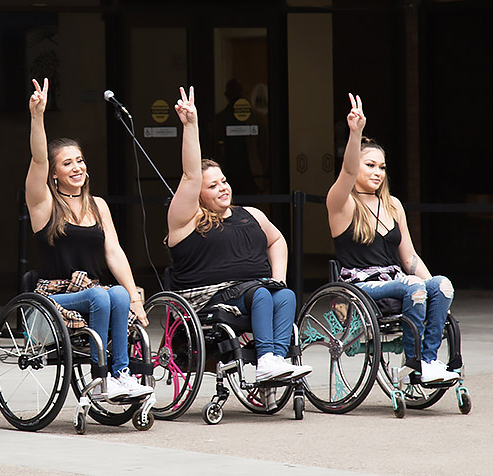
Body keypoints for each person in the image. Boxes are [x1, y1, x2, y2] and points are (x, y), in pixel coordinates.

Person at [166, 87, 311, 382]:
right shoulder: (186, 220)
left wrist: (279, 277)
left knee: (284, 295)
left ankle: (276, 358)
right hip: (209, 298)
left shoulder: (252, 214)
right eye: (213, 185)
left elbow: (277, 240)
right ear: (198, 195)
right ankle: (267, 359)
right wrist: (190, 126)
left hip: (252, 291)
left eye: (224, 181)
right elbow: (190, 176)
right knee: (259, 292)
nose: (222, 187)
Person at [27, 78, 153, 399]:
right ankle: (100, 378)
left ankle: (120, 373)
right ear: (54, 174)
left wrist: (136, 300)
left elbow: (114, 252)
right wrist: (38, 116)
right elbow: (39, 160)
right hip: (54, 298)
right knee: (102, 296)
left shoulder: (98, 206)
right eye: (67, 163)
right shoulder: (44, 205)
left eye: (80, 160)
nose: (77, 167)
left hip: (94, 293)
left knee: (120, 296)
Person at [326, 93, 457, 384]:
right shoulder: (342, 203)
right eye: (370, 165)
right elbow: (347, 170)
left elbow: (409, 258)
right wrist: (355, 133)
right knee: (413, 285)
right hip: (361, 287)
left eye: (382, 167)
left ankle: (428, 360)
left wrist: (434, 288)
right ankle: (414, 364)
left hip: (398, 282)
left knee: (442, 285)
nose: (378, 172)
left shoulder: (393, 205)